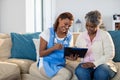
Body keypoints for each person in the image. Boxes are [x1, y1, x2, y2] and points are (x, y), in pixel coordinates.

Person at [75, 10, 117, 80]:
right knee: (80, 71)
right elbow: (77, 50)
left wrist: (94, 64)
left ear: (98, 25)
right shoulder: (81, 36)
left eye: (92, 26)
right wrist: (74, 56)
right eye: (87, 25)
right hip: (86, 64)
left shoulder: (105, 35)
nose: (88, 28)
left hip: (102, 64)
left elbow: (110, 54)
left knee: (101, 73)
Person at [37, 12, 74, 80]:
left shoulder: (69, 36)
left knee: (75, 73)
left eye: (69, 26)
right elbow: (41, 53)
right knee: (66, 74)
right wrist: (53, 48)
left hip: (60, 64)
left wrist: (71, 57)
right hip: (46, 63)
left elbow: (66, 54)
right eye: (65, 24)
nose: (67, 27)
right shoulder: (47, 32)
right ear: (59, 20)